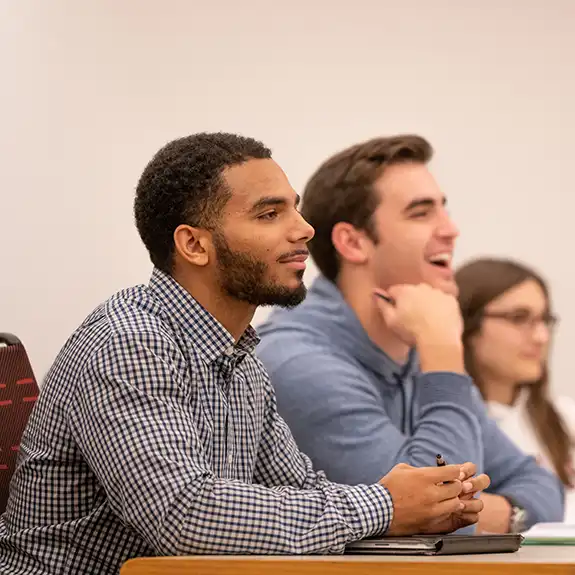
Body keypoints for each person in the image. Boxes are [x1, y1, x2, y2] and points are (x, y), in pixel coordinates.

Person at [0, 133, 489, 575]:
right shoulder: (130, 340)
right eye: (269, 214)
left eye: (295, 209)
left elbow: (297, 493)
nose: (304, 230)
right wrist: (383, 506)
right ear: (194, 244)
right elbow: (184, 517)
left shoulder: (241, 359)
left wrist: (416, 500)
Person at [256, 134, 565, 535]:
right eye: (421, 213)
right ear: (352, 242)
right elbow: (429, 520)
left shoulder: (417, 348)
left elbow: (543, 488)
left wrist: (501, 515)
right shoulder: (299, 362)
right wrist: (443, 353)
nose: (451, 230)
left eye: (444, 210)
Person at [456, 257, 575, 521]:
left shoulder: (566, 418)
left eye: (545, 320)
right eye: (519, 318)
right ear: (466, 324)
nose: (541, 337)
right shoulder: (449, 421)